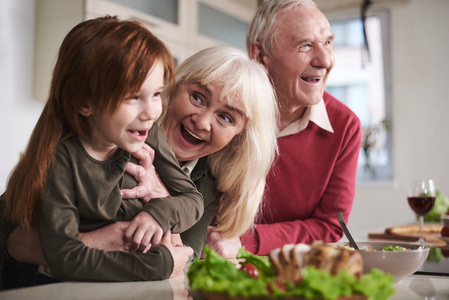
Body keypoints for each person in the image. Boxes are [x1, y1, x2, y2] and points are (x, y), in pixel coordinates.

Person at [0, 46, 279, 287]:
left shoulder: (208, 182)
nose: (202, 122)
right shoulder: (112, 135)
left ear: (239, 139)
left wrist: (162, 198)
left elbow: (184, 259)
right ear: (173, 88)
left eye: (226, 118)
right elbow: (7, 229)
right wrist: (98, 241)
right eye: (197, 97)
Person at [1, 16, 204, 286]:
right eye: (133, 96)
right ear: (85, 102)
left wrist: (158, 213)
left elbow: (192, 199)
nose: (152, 112)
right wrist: (160, 263)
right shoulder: (61, 160)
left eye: (156, 94)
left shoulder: (147, 133)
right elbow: (66, 257)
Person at [206, 0, 362, 257]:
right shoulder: (222, 110)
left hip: (291, 267)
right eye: (305, 45)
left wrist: (245, 241)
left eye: (327, 42)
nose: (325, 60)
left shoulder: (345, 126)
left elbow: (330, 225)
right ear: (259, 56)